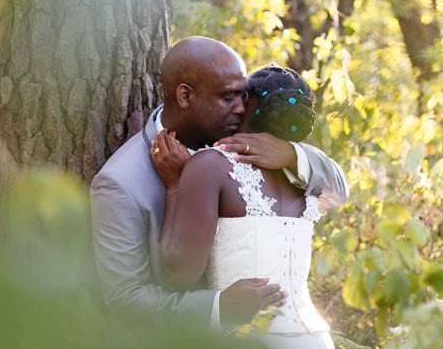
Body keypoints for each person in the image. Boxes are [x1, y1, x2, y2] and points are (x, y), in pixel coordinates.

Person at [150, 64, 343, 349]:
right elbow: (339, 191)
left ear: (252, 105)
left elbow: (178, 272)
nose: (233, 107)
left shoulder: (210, 167)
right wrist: (295, 153)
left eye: (240, 98)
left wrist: (175, 185)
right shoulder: (304, 176)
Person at [90, 37, 348, 327]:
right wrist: (218, 307)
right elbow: (126, 299)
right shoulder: (121, 183)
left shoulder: (247, 144)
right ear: (186, 97)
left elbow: (339, 189)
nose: (242, 108)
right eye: (228, 98)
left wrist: (291, 154)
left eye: (244, 95)